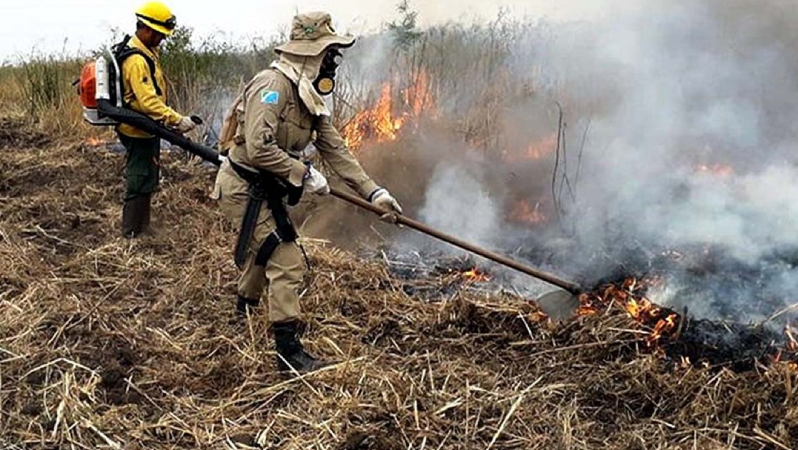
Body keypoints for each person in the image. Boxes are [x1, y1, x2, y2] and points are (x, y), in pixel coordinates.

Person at [212, 12, 403, 374]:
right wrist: (303, 172)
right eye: (329, 53)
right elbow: (257, 147)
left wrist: (373, 192)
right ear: (309, 53)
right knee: (286, 258)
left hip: (268, 189)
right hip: (240, 189)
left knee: (267, 248)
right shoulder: (274, 85)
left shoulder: (307, 94)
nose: (333, 61)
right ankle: (288, 354)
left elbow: (336, 149)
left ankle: (242, 310)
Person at [117, 1, 197, 238]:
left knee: (148, 177)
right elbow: (147, 102)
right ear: (148, 30)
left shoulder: (147, 52)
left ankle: (143, 227)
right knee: (139, 177)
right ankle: (131, 233)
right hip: (137, 129)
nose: (162, 39)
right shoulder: (136, 60)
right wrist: (176, 120)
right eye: (160, 34)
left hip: (147, 128)